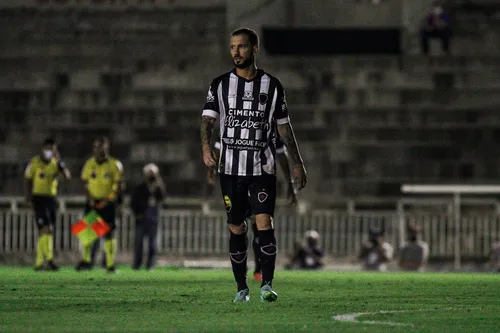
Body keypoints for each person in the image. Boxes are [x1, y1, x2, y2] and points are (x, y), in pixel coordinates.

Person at [200, 27, 307, 302]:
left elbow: (284, 129)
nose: (236, 52)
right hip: (231, 171)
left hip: (262, 169)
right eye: (233, 47)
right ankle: (241, 288)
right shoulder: (219, 85)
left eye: (242, 47)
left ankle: (267, 285)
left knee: (264, 222)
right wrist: (205, 148)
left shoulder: (272, 86)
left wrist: (297, 164)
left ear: (255, 49)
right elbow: (208, 121)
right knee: (236, 227)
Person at [208, 135, 298, 282]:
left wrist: (290, 182)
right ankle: (243, 276)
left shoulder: (269, 124)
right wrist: (213, 167)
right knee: (239, 226)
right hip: (236, 180)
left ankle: (259, 269)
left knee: (259, 224)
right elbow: (219, 145)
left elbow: (281, 153)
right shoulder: (233, 121)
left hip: (259, 179)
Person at [76, 137, 124, 273]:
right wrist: (89, 198)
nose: (100, 149)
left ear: (107, 148)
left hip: (108, 203)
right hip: (92, 202)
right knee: (86, 233)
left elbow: (118, 186)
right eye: (97, 147)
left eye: (102, 147)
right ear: (94, 148)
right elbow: (84, 182)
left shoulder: (115, 164)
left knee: (109, 233)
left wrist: (109, 200)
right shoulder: (89, 164)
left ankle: (110, 265)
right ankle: (86, 261)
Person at [24, 138, 71, 271]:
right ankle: (49, 260)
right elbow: (27, 179)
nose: (49, 152)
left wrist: (60, 163)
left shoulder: (56, 163)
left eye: (52, 149)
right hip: (38, 198)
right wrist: (28, 199)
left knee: (47, 230)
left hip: (50, 198)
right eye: (48, 149)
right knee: (46, 229)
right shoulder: (34, 162)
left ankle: (39, 262)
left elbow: (67, 177)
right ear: (43, 149)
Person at [130, 163, 166, 270]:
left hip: (153, 218)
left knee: (152, 244)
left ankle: (150, 264)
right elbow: (133, 202)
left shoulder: (157, 187)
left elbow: (163, 197)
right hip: (141, 218)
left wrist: (158, 183)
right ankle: (137, 264)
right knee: (138, 244)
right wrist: (137, 214)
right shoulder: (140, 188)